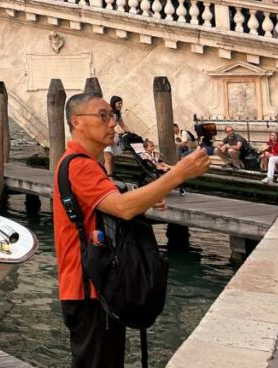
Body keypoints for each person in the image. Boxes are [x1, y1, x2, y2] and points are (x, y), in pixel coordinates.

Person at [55, 93, 210, 367]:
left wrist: (144, 197)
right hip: (89, 289)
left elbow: (114, 205)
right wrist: (178, 174)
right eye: (103, 116)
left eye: (111, 116)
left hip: (94, 286)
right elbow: (123, 207)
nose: (112, 123)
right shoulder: (80, 165)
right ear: (77, 122)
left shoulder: (85, 164)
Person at [102, 96, 127, 173]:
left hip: (113, 137)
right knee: (108, 158)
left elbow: (123, 125)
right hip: (105, 136)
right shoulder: (108, 112)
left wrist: (129, 132)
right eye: (119, 103)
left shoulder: (118, 113)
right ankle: (109, 179)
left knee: (112, 158)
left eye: (121, 103)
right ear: (114, 103)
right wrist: (116, 132)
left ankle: (110, 175)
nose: (121, 105)